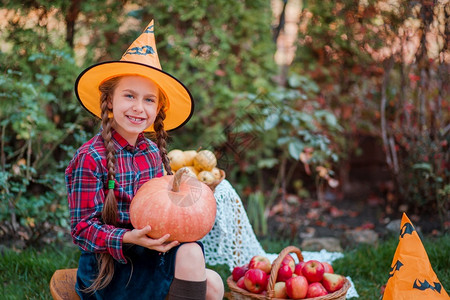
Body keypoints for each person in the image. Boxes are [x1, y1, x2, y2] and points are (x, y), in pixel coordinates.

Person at [65, 20, 224, 300]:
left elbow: (162, 212)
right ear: (110, 101)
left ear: (158, 108)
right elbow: (82, 230)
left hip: (147, 252)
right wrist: (128, 237)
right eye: (129, 95)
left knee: (211, 280)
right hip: (109, 269)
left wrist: (190, 200)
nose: (139, 107)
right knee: (206, 285)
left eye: (149, 100)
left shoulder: (151, 153)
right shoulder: (90, 157)